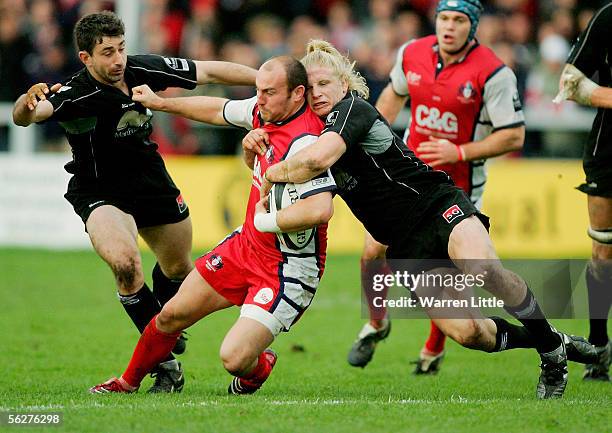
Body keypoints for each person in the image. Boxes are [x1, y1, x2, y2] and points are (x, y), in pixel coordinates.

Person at [257, 39, 596, 399]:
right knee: (469, 334)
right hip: (405, 244)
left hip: (437, 205)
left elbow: (316, 161)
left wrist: (270, 174)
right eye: (309, 88)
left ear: (344, 83)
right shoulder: (309, 134)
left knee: (482, 269)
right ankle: (554, 341)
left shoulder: (352, 109)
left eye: (324, 83)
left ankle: (552, 360)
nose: (318, 93)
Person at [12, 11, 257, 393]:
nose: (118, 60)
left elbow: (208, 71)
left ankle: (160, 323)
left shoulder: (143, 69)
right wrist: (26, 104)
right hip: (99, 191)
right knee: (127, 267)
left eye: (121, 48)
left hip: (151, 181)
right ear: (85, 58)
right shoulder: (75, 94)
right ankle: (165, 364)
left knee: (178, 269)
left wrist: (267, 81)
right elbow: (28, 116)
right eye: (107, 52)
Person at [88, 56, 336, 395]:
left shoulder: (307, 142)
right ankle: (127, 382)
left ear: (296, 94)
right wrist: (162, 104)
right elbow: (219, 109)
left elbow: (320, 209)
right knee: (171, 315)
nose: (259, 99)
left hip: (287, 269)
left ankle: (259, 368)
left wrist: (265, 220)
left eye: (269, 92)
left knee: (234, 358)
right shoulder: (264, 112)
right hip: (244, 248)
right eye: (258, 91)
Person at [347, 0, 525, 375]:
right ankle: (377, 322)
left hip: (457, 191)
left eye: (459, 20)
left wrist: (458, 150)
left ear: (472, 26)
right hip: (408, 180)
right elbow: (393, 96)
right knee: (370, 252)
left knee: (447, 276)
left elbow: (513, 136)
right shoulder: (411, 53)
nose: (449, 26)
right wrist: (371, 136)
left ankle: (432, 349)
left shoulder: (494, 72)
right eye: (443, 17)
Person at [554, 2, 612, 381]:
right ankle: (599, 344)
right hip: (609, 150)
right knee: (603, 251)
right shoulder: (609, 17)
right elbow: (570, 82)